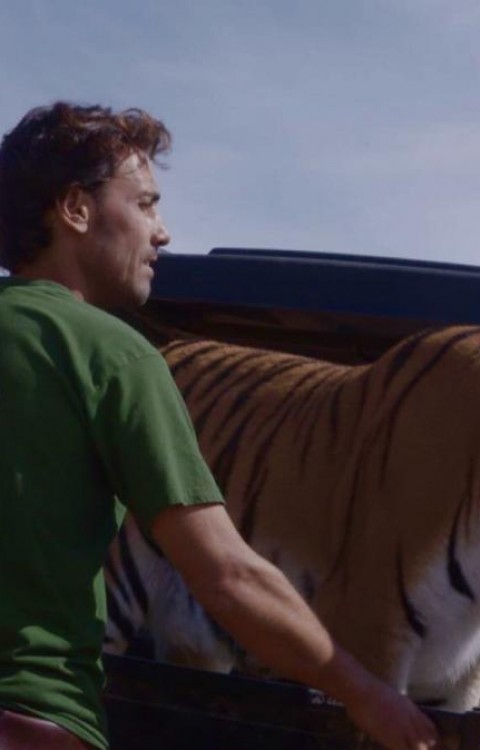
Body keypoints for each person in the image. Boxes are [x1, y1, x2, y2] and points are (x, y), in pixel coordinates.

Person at [0, 102, 440, 750]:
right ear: (75, 209)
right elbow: (227, 576)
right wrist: (365, 693)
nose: (162, 233)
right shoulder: (110, 355)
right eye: (144, 204)